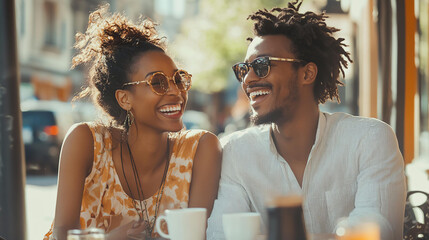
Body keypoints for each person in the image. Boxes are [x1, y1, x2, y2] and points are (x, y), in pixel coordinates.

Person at [207, 1, 406, 240]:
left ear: (307, 73)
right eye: (243, 69)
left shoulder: (369, 140)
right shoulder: (235, 152)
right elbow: (223, 234)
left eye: (262, 66)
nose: (247, 79)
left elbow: (377, 231)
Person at [43, 5, 221, 240]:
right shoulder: (86, 142)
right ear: (125, 99)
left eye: (178, 79)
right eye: (158, 82)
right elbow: (61, 234)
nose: (176, 91)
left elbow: (198, 236)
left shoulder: (200, 149)